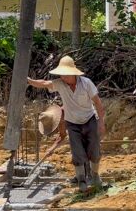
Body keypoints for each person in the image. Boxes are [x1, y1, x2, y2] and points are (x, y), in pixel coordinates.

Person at [27, 56, 106, 192]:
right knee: (77, 152)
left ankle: (95, 175)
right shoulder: (59, 84)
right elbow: (44, 83)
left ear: (73, 73)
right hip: (73, 123)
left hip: (89, 119)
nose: (63, 77)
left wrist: (101, 123)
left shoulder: (86, 83)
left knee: (94, 148)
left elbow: (98, 103)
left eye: (65, 75)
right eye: (61, 75)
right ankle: (81, 179)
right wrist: (29, 81)